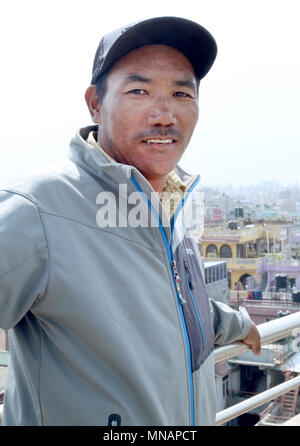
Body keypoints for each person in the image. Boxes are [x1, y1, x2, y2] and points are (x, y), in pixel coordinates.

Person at [0, 16, 260, 426]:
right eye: (139, 90)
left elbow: (164, 302)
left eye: (181, 93)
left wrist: (237, 323)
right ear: (95, 104)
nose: (164, 115)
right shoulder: (38, 207)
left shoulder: (166, 203)